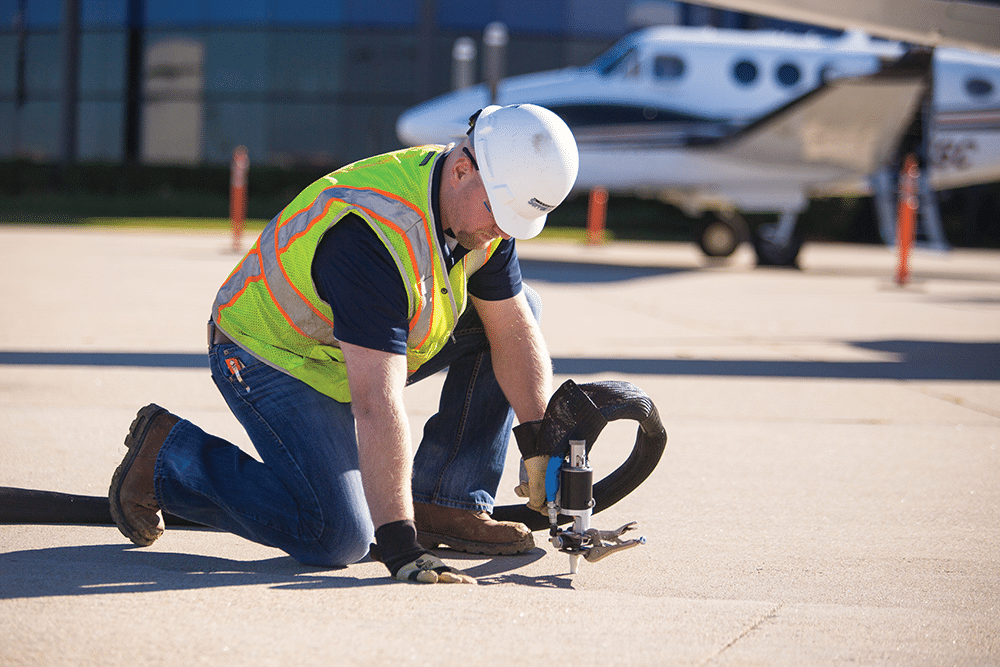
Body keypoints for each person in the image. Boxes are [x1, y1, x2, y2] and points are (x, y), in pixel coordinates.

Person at [108, 104, 580, 585]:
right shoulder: (372, 235)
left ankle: (444, 501)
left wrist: (540, 439)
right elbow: (377, 403)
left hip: (342, 348)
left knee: (523, 310)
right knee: (339, 536)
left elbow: (513, 333)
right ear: (462, 169)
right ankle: (170, 455)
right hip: (270, 357)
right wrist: (400, 546)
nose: (503, 231)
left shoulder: (483, 202)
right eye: (501, 215)